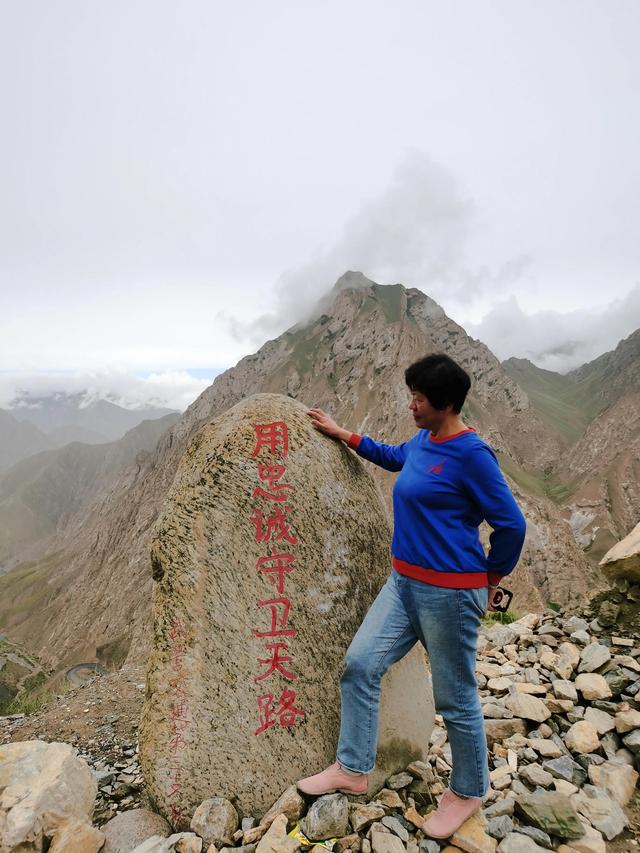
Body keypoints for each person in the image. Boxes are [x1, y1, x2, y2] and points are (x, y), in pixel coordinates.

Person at [297, 353, 527, 840]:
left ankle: (467, 790)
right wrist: (345, 435)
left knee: (454, 697)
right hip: (402, 585)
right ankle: (353, 768)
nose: (410, 405)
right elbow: (393, 456)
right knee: (360, 663)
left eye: (418, 399)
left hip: (450, 594)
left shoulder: (472, 455)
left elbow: (511, 525)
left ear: (444, 404)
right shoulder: (424, 441)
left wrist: (489, 581)